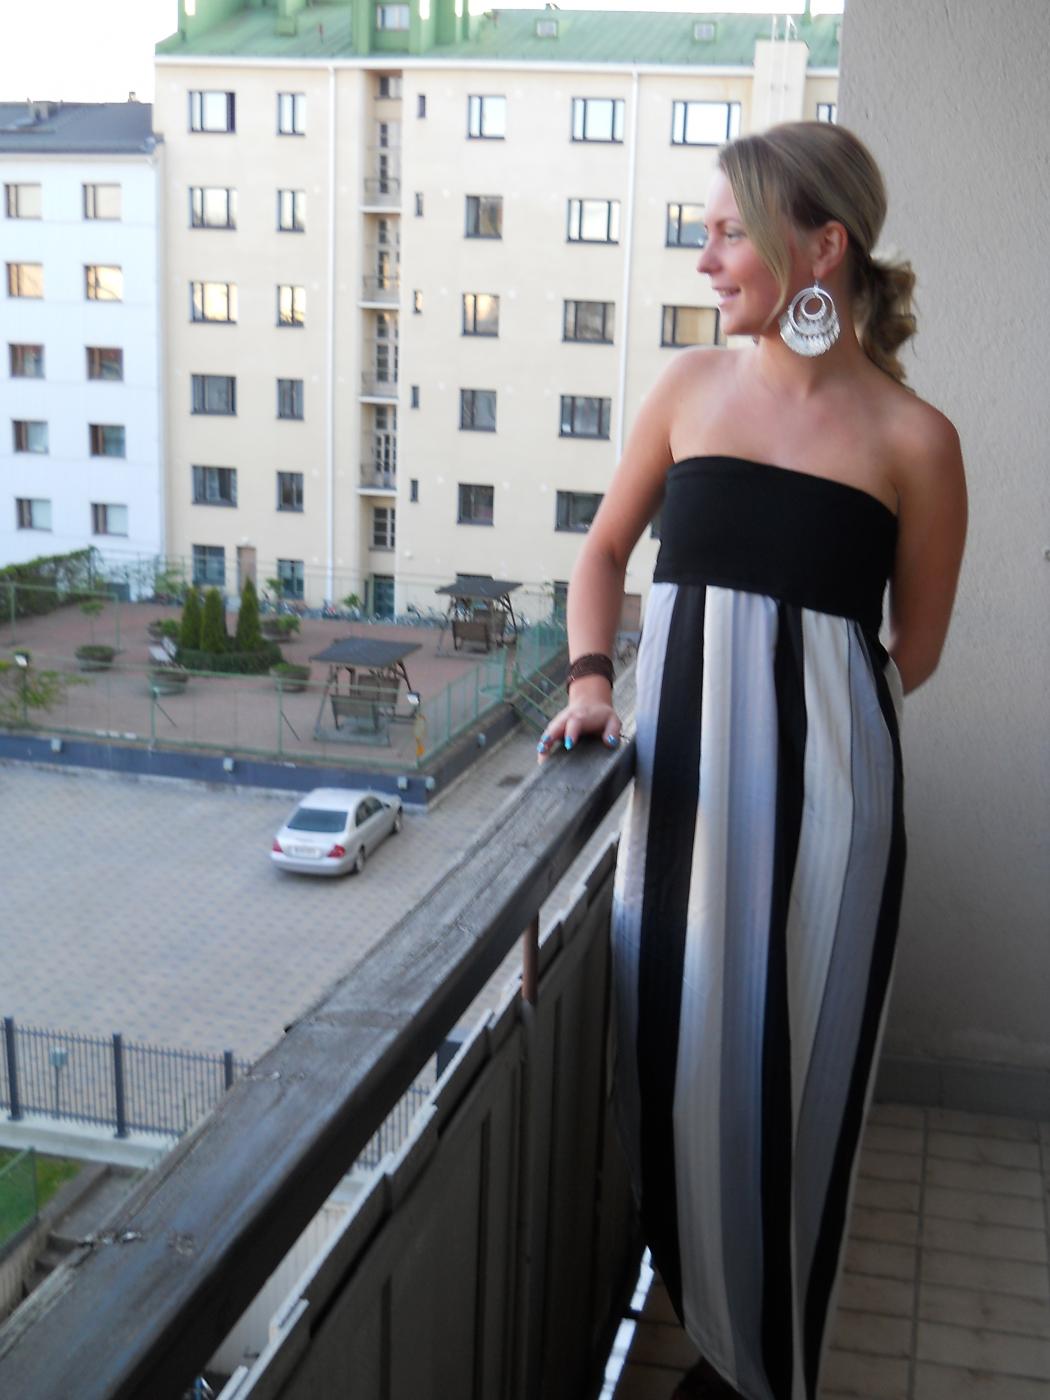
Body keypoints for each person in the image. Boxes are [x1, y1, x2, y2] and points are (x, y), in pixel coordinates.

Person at [536, 121, 967, 1400]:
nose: (706, 256)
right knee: (676, 1074)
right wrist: (595, 683)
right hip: (690, 803)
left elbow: (913, 649)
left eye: (730, 231)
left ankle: (757, 1374)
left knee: (805, 1094)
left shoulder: (917, 439)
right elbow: (602, 553)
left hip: (837, 818)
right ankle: (722, 1334)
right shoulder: (688, 391)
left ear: (821, 247)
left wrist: (805, 729)